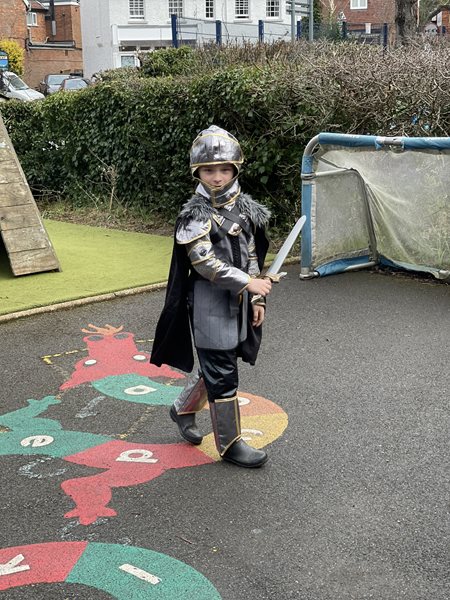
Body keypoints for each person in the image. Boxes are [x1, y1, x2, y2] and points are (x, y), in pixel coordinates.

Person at [150, 125, 272, 468]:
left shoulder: (244, 209)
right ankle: (230, 443)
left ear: (234, 169)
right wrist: (248, 284)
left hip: (238, 299)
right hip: (208, 301)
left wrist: (257, 299)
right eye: (209, 170)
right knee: (222, 370)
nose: (217, 177)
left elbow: (250, 254)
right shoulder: (194, 216)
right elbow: (204, 262)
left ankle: (182, 408)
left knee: (219, 363)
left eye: (224, 170)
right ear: (198, 173)